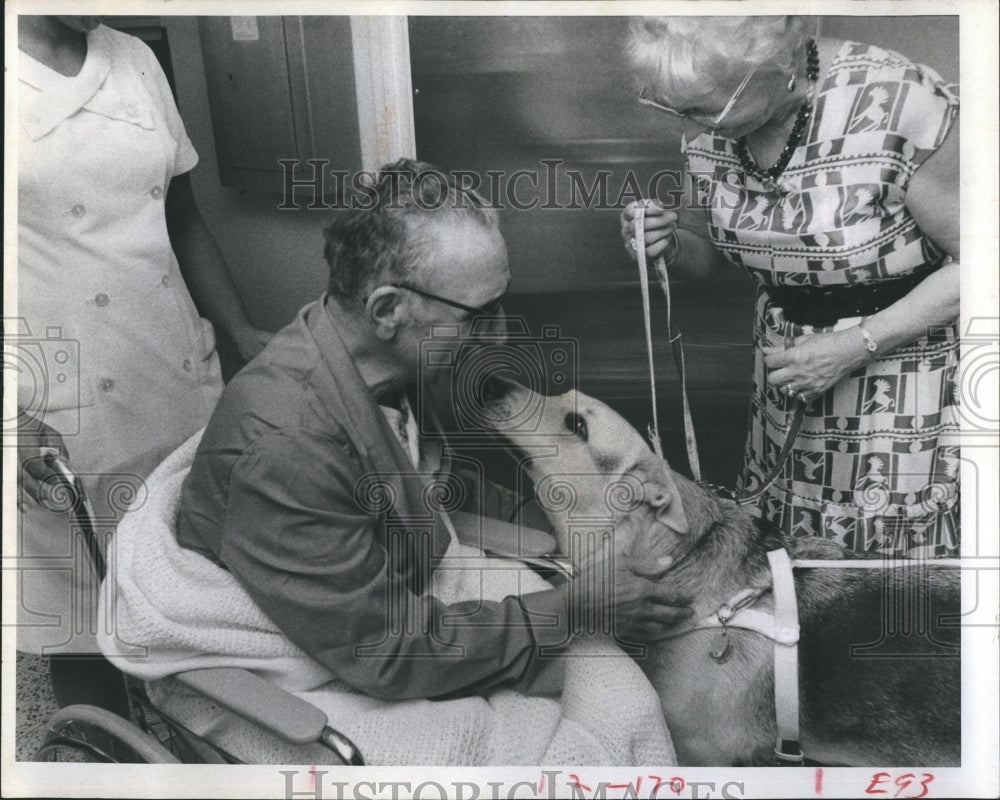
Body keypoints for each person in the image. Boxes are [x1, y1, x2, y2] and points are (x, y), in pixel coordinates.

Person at [174, 159, 693, 701]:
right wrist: (576, 606)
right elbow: (388, 654)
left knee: (623, 674)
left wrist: (596, 541)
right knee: (623, 704)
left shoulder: (390, 368)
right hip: (327, 670)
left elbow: (441, 486)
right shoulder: (288, 448)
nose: (498, 338)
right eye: (479, 316)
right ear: (388, 310)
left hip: (390, 604)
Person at [619, 16, 960, 557]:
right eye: (671, 108)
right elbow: (717, 258)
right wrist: (672, 245)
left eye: (704, 110)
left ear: (777, 68)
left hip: (905, 375)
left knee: (886, 574)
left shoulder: (899, 101)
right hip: (786, 385)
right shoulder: (709, 122)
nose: (687, 126)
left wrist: (851, 347)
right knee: (798, 560)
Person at [15, 15, 268, 704]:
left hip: (173, 364)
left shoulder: (133, 58)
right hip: (56, 395)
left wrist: (239, 327)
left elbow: (181, 216)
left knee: (197, 590)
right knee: (80, 614)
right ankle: (98, 758)